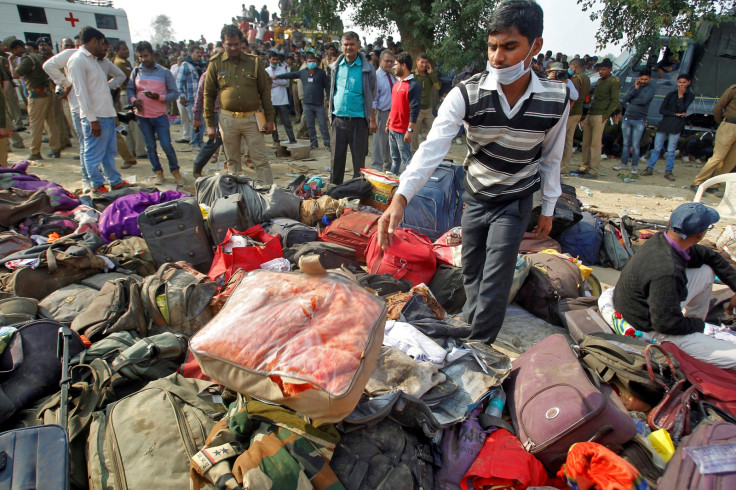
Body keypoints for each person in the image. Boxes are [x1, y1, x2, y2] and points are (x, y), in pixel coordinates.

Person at [377, 0, 568, 343]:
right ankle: (471, 323)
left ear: (535, 46)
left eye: (510, 47)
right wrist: (400, 197)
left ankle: (478, 347)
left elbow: (552, 157)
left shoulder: (556, 98)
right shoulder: (465, 94)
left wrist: (550, 208)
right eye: (492, 46)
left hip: (515, 199)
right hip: (476, 197)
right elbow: (432, 148)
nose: (497, 57)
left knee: (496, 278)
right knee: (473, 271)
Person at [610, 202, 736, 369]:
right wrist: (701, 326)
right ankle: (694, 335)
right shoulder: (668, 271)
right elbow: (666, 324)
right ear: (700, 234)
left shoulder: (663, 240)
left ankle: (695, 329)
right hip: (651, 329)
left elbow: (710, 256)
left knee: (705, 270)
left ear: (670, 222)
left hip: (649, 307)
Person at [204, 25, 275, 183]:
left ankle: (269, 195)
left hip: (252, 120)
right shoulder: (215, 64)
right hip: (228, 120)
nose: (233, 47)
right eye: (229, 44)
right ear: (223, 44)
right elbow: (208, 95)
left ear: (241, 43)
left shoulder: (254, 62)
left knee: (260, 160)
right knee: (233, 162)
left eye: (236, 44)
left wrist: (270, 119)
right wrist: (209, 124)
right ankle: (237, 198)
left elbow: (265, 92)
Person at [67, 26, 129, 195]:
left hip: (107, 114)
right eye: (102, 43)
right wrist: (91, 119)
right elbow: (81, 93)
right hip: (95, 117)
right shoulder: (78, 60)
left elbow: (108, 82)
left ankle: (114, 181)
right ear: (94, 41)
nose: (104, 47)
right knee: (93, 153)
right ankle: (96, 184)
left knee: (109, 152)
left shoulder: (95, 61)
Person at [127, 41, 183, 186]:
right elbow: (130, 90)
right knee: (150, 146)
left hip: (160, 116)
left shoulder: (164, 72)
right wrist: (134, 100)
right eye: (140, 57)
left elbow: (174, 94)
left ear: (152, 54)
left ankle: (175, 171)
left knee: (166, 145)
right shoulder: (136, 72)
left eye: (146, 55)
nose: (144, 59)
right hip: (142, 116)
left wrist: (159, 97)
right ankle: (158, 172)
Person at [328, 31, 377, 184]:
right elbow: (332, 91)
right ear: (341, 46)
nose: (349, 47)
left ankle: (357, 194)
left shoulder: (367, 69)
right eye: (346, 44)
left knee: (359, 163)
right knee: (336, 161)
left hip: (358, 121)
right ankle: (334, 195)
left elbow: (373, 94)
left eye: (352, 44)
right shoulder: (336, 67)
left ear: (358, 46)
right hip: (338, 121)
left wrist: (370, 117)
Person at [8, 39, 62, 160]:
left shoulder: (27, 59)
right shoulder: (37, 57)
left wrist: (11, 62)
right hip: (47, 93)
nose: (13, 54)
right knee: (50, 122)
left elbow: (15, 75)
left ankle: (35, 151)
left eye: (13, 51)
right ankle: (56, 148)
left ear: (17, 48)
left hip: (36, 95)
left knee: (36, 125)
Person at [572, 58, 620, 178]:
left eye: (604, 69)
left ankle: (593, 170)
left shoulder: (614, 82)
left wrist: (605, 116)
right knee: (586, 142)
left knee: (595, 144)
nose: (601, 72)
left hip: (600, 115)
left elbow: (615, 101)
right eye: (600, 69)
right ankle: (585, 166)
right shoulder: (599, 81)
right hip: (591, 113)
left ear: (610, 70)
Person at [641, 74, 694, 181]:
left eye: (684, 82)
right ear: (677, 83)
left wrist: (681, 96)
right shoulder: (671, 94)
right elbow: (662, 110)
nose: (681, 85)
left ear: (689, 83)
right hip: (665, 123)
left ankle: (668, 171)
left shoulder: (690, 95)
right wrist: (675, 114)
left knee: (671, 150)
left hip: (676, 125)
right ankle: (649, 168)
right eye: (680, 82)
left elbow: (683, 108)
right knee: (657, 148)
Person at [275, 52, 331, 150]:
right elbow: (290, 75)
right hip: (307, 103)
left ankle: (327, 143)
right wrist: (276, 77)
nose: (312, 63)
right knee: (310, 125)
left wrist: (328, 99)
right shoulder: (303, 72)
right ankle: (314, 143)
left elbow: (327, 86)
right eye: (309, 61)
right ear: (306, 62)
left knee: (323, 124)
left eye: (313, 61)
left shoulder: (321, 72)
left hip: (319, 103)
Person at [690, 84, 736, 195]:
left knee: (731, 161)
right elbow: (718, 107)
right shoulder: (733, 89)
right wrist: (722, 123)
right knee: (718, 157)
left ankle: (714, 184)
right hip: (729, 125)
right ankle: (698, 182)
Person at [613, 68, 655, 174]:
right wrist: (635, 89)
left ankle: (634, 166)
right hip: (628, 118)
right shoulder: (634, 86)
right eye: (641, 79)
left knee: (635, 144)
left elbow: (644, 101)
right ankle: (623, 164)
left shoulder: (651, 89)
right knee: (626, 143)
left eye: (645, 79)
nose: (643, 81)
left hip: (639, 119)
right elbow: (624, 99)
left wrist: (632, 100)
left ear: (649, 78)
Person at [386, 52, 419, 175]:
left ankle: (404, 185)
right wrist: (388, 122)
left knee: (407, 161)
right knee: (395, 159)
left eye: (396, 64)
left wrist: (409, 131)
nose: (393, 67)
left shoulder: (413, 86)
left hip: (402, 131)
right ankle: (393, 184)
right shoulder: (397, 83)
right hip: (393, 129)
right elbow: (394, 105)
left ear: (403, 66)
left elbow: (414, 110)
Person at [113, 41, 147, 159]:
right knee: (134, 123)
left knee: (127, 124)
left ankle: (132, 149)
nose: (126, 51)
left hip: (124, 94)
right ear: (117, 51)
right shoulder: (120, 63)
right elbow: (131, 80)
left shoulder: (123, 62)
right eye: (123, 49)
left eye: (127, 48)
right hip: (127, 94)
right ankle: (139, 150)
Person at [561, 58, 590, 174]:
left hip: (572, 111)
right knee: (568, 140)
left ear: (574, 66)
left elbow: (573, 95)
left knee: (563, 140)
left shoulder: (576, 79)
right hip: (578, 111)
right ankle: (565, 166)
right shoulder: (586, 77)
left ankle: (562, 166)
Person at [370, 49, 395, 171]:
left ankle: (388, 169)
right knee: (379, 145)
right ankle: (376, 170)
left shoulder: (392, 76)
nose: (389, 64)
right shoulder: (376, 77)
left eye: (391, 61)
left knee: (389, 145)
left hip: (392, 114)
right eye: (387, 61)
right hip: (381, 113)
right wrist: (372, 119)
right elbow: (373, 101)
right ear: (380, 60)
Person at [177, 45, 206, 148]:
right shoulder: (186, 65)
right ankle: (194, 141)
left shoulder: (201, 66)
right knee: (195, 120)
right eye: (197, 52)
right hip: (191, 98)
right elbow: (179, 82)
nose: (199, 54)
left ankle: (200, 140)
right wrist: (182, 96)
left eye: (200, 53)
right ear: (191, 53)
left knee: (202, 121)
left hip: (202, 98)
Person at [265, 52, 296, 145]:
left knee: (286, 120)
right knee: (273, 121)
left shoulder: (282, 69)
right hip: (271, 99)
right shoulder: (266, 70)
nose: (275, 61)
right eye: (273, 59)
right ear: (269, 59)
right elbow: (266, 84)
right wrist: (277, 81)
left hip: (282, 99)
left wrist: (273, 81)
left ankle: (292, 138)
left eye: (276, 59)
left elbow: (286, 83)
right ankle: (276, 140)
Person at [411, 53, 440, 153]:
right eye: (421, 62)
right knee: (413, 135)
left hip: (427, 110)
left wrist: (431, 73)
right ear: (417, 62)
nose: (424, 64)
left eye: (426, 62)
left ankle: (432, 152)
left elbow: (437, 87)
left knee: (435, 131)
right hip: (416, 110)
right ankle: (413, 155)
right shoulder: (412, 75)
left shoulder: (430, 75)